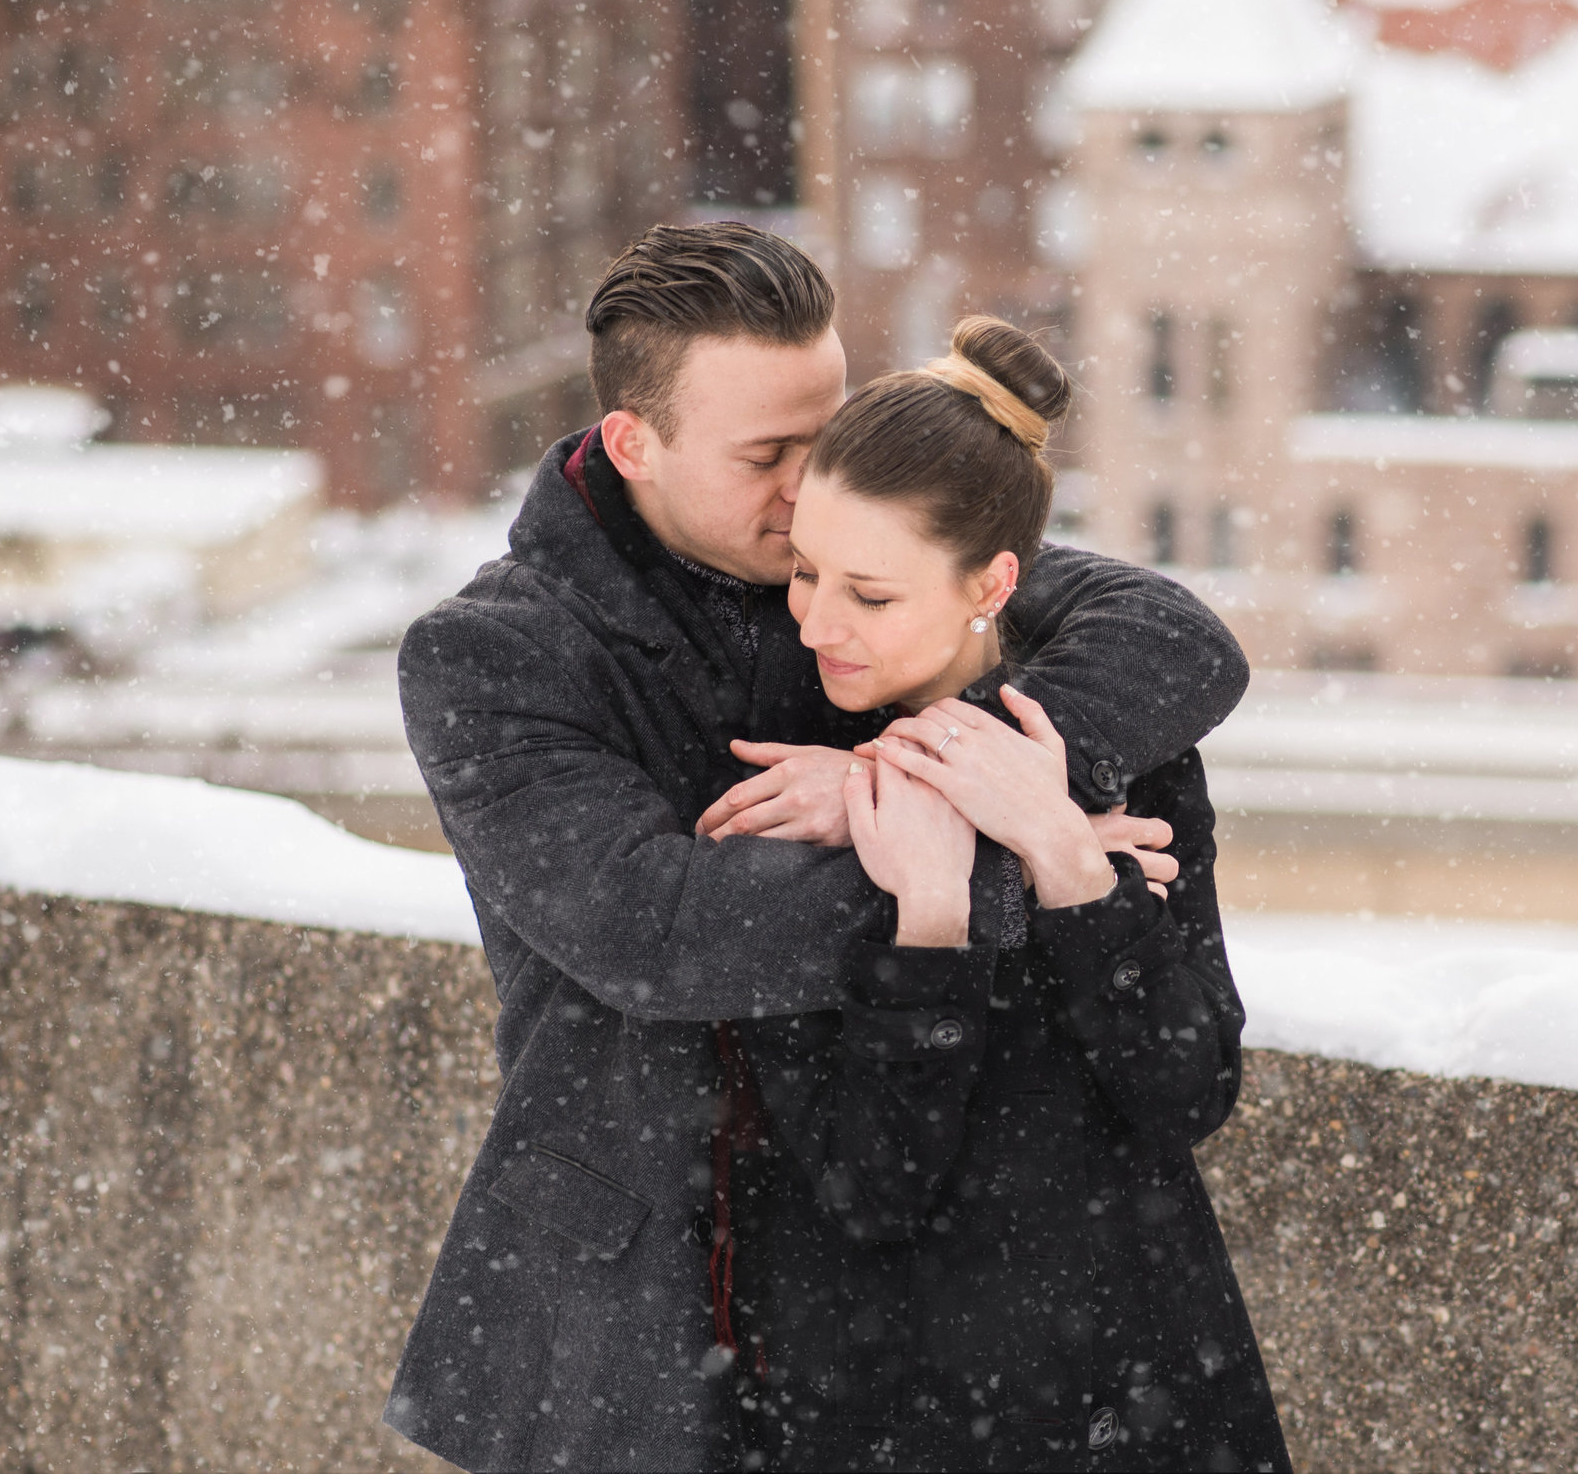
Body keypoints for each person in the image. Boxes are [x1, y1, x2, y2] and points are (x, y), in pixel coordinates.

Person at [383, 225, 1250, 1472]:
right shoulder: (489, 657)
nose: (809, 486)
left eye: (826, 428)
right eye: (767, 454)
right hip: (642, 1281)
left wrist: (893, 773)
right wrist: (1008, 856)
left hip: (920, 1293)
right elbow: (659, 932)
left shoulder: (860, 565)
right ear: (635, 442)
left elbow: (1174, 638)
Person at [719, 316, 1286, 1471]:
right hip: (895, 1405)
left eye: (869, 595)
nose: (818, 621)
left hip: (1139, 1384)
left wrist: (1064, 860)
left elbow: (1187, 1090)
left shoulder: (1118, 747)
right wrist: (932, 922)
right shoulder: (786, 779)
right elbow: (866, 1186)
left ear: (994, 582)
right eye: (806, 570)